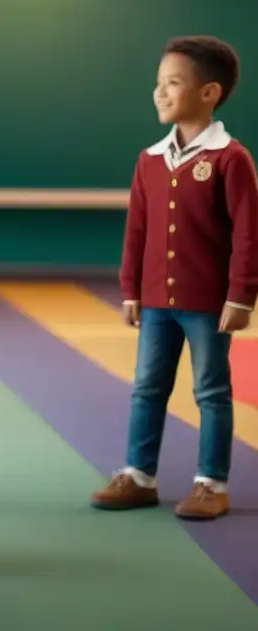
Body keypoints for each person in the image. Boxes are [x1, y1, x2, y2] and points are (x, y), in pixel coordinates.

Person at [91, 35, 258, 520]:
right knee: (147, 386)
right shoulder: (149, 160)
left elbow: (248, 234)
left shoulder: (230, 159)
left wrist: (241, 296)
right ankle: (139, 476)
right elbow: (137, 230)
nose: (159, 93)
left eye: (173, 83)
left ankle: (212, 482)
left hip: (207, 303)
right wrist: (131, 288)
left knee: (210, 390)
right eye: (158, 83)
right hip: (157, 303)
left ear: (209, 93)